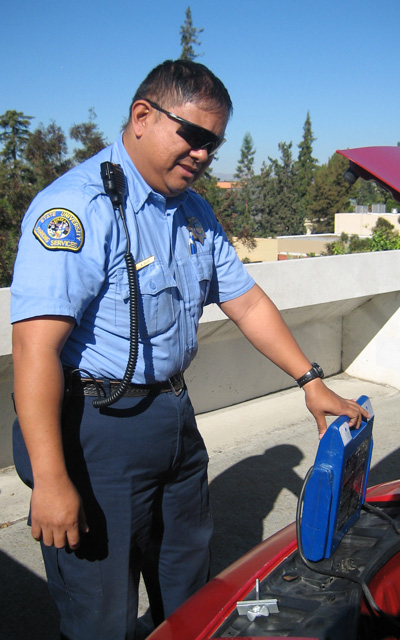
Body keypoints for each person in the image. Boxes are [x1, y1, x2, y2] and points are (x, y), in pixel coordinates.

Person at [10, 59, 368, 640]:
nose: (204, 155)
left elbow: (247, 303)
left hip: (174, 419)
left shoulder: (194, 212)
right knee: (101, 614)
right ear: (143, 116)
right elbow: (33, 349)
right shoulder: (78, 209)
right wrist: (51, 479)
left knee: (191, 588)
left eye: (214, 144)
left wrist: (312, 380)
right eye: (194, 136)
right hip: (95, 428)